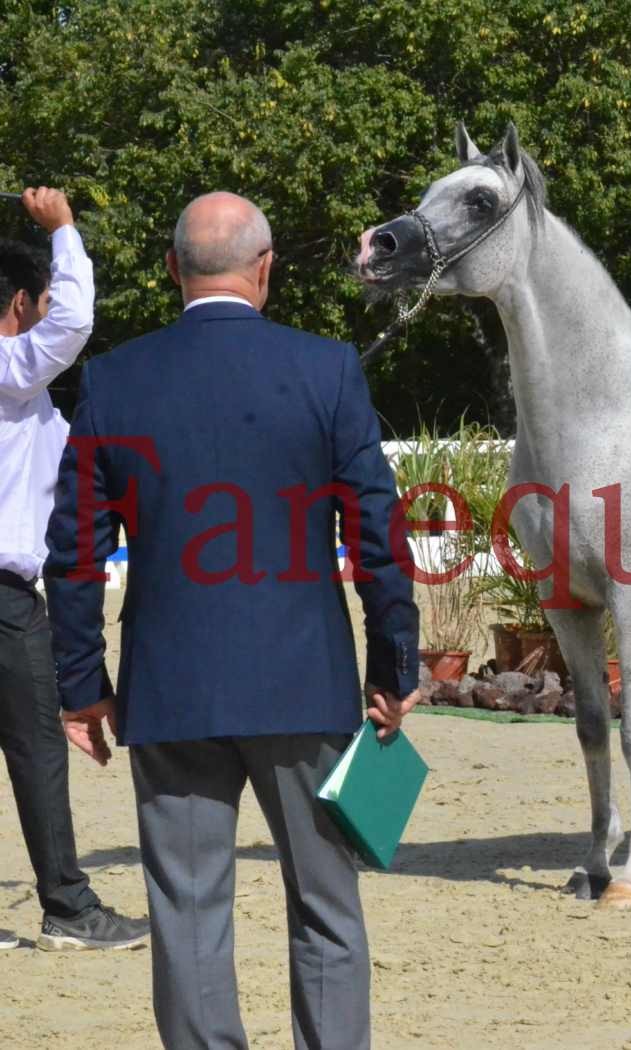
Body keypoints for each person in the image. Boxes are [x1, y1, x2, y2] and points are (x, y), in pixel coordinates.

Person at [43, 191, 422, 1049]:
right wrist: (394, 665)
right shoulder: (327, 369)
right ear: (266, 269)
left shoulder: (114, 378)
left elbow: (74, 550)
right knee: (327, 909)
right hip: (305, 683)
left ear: (173, 269)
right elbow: (378, 534)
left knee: (188, 913)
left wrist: (81, 685)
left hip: (171, 691)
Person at [0, 186, 150, 952]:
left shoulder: (27, 405)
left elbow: (84, 459)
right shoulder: (7, 368)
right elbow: (76, 321)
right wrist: (63, 229)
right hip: (5, 602)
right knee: (35, 746)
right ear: (19, 304)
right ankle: (67, 908)